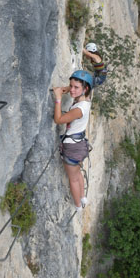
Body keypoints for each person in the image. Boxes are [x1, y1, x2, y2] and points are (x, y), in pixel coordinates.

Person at [53, 70, 93, 212]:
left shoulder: (79, 109)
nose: (72, 90)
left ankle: (78, 206)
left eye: (76, 87)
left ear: (85, 88)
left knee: (73, 179)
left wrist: (58, 98)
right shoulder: (86, 100)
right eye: (71, 86)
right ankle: (83, 198)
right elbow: (74, 88)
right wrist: (66, 89)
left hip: (72, 147)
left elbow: (58, 120)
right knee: (78, 173)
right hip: (80, 144)